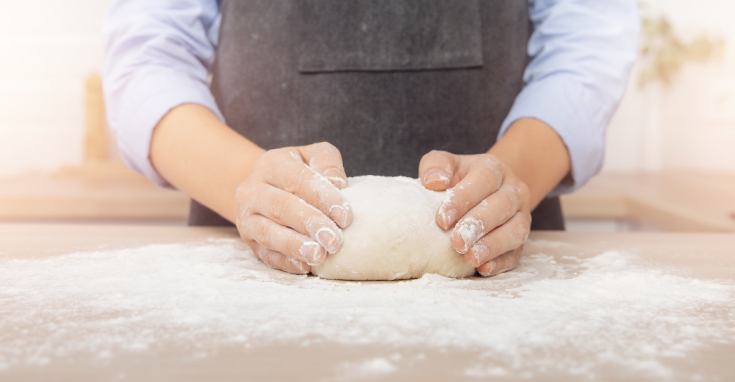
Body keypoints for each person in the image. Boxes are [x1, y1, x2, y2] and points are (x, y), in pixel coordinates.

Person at [103, 0, 638, 276]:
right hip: (252, 266)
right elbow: (148, 60)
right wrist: (247, 185)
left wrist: (514, 172)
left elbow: (586, 46)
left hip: (498, 262)